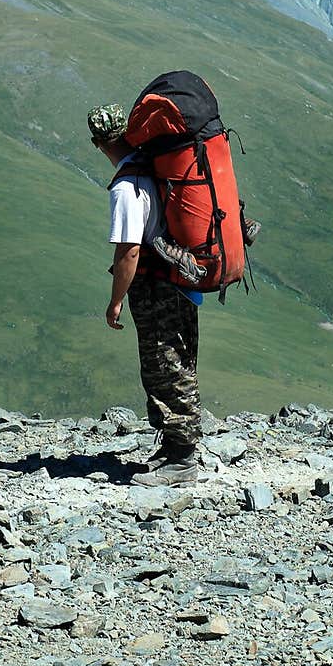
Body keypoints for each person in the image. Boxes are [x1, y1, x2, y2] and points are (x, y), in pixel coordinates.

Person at [87, 102, 203, 487]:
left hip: (156, 287)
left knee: (164, 366)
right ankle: (174, 449)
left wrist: (115, 300)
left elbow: (129, 250)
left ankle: (183, 461)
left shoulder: (126, 186)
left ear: (97, 143)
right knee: (176, 361)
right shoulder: (156, 166)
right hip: (181, 280)